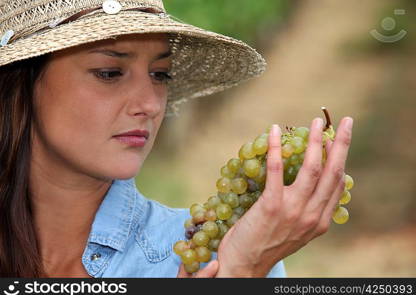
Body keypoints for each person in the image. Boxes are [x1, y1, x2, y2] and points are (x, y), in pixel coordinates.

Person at [0, 0, 353, 278]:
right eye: (109, 73)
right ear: (21, 85)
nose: (151, 104)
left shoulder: (226, 252)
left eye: (160, 75)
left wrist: (242, 273)